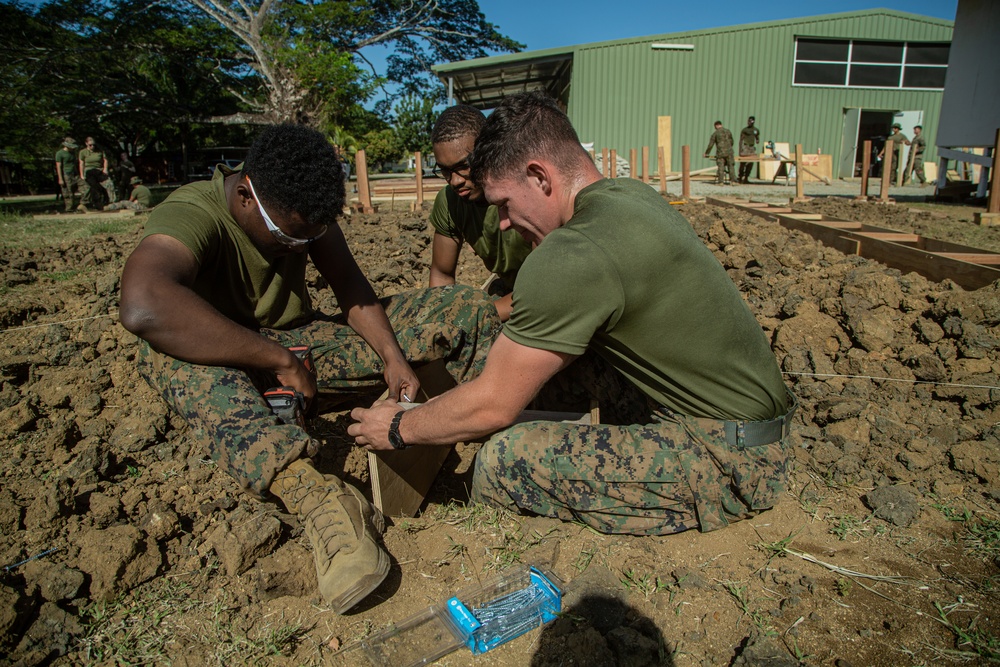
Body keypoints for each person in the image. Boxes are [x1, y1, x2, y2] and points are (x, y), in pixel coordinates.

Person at [350, 92, 795, 538]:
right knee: (537, 373)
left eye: (504, 203)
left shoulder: (573, 252)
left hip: (730, 458)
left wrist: (398, 426)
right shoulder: (630, 197)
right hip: (741, 422)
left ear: (540, 177)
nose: (503, 222)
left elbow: (493, 404)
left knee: (505, 459)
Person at [119, 123, 501, 613]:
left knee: (459, 305)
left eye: (312, 237)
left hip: (303, 349)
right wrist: (274, 358)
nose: (302, 248)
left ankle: (492, 419)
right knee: (159, 349)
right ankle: (316, 496)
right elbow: (143, 304)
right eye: (291, 238)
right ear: (244, 197)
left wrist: (392, 357)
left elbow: (349, 285)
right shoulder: (195, 212)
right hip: (223, 363)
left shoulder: (302, 210)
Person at [428, 105, 534, 322]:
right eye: (445, 170)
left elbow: (550, 286)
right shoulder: (449, 202)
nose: (455, 181)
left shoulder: (528, 192)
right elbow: (442, 274)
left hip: (550, 291)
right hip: (512, 291)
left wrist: (477, 318)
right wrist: (441, 321)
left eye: (463, 166)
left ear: (487, 149)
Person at [78, 137, 115, 211]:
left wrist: (105, 169)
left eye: (93, 145)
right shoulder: (83, 152)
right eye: (90, 145)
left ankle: (111, 202)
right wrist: (81, 174)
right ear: (86, 144)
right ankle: (92, 203)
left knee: (109, 183)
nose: (92, 146)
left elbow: (105, 160)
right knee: (93, 186)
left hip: (99, 170)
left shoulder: (100, 151)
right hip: (89, 170)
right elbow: (81, 163)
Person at [54, 137, 82, 214]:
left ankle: (82, 205)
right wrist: (60, 178)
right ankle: (69, 209)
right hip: (66, 174)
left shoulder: (72, 153)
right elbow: (58, 166)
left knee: (84, 188)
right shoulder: (60, 153)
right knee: (68, 193)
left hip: (75, 174)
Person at [704, 121, 735, 185]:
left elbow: (710, 145)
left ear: (716, 126)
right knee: (731, 166)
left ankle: (721, 182)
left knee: (721, 167)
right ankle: (733, 181)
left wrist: (707, 153)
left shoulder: (715, 133)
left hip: (720, 153)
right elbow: (732, 141)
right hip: (729, 152)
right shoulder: (728, 131)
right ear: (721, 125)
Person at [737, 117, 760, 184]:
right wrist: (740, 150)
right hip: (745, 147)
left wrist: (757, 140)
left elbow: (757, 137)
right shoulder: (745, 130)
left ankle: (746, 178)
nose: (749, 122)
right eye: (748, 121)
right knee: (743, 162)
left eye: (751, 121)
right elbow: (741, 140)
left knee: (750, 163)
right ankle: (740, 177)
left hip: (752, 148)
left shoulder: (756, 130)